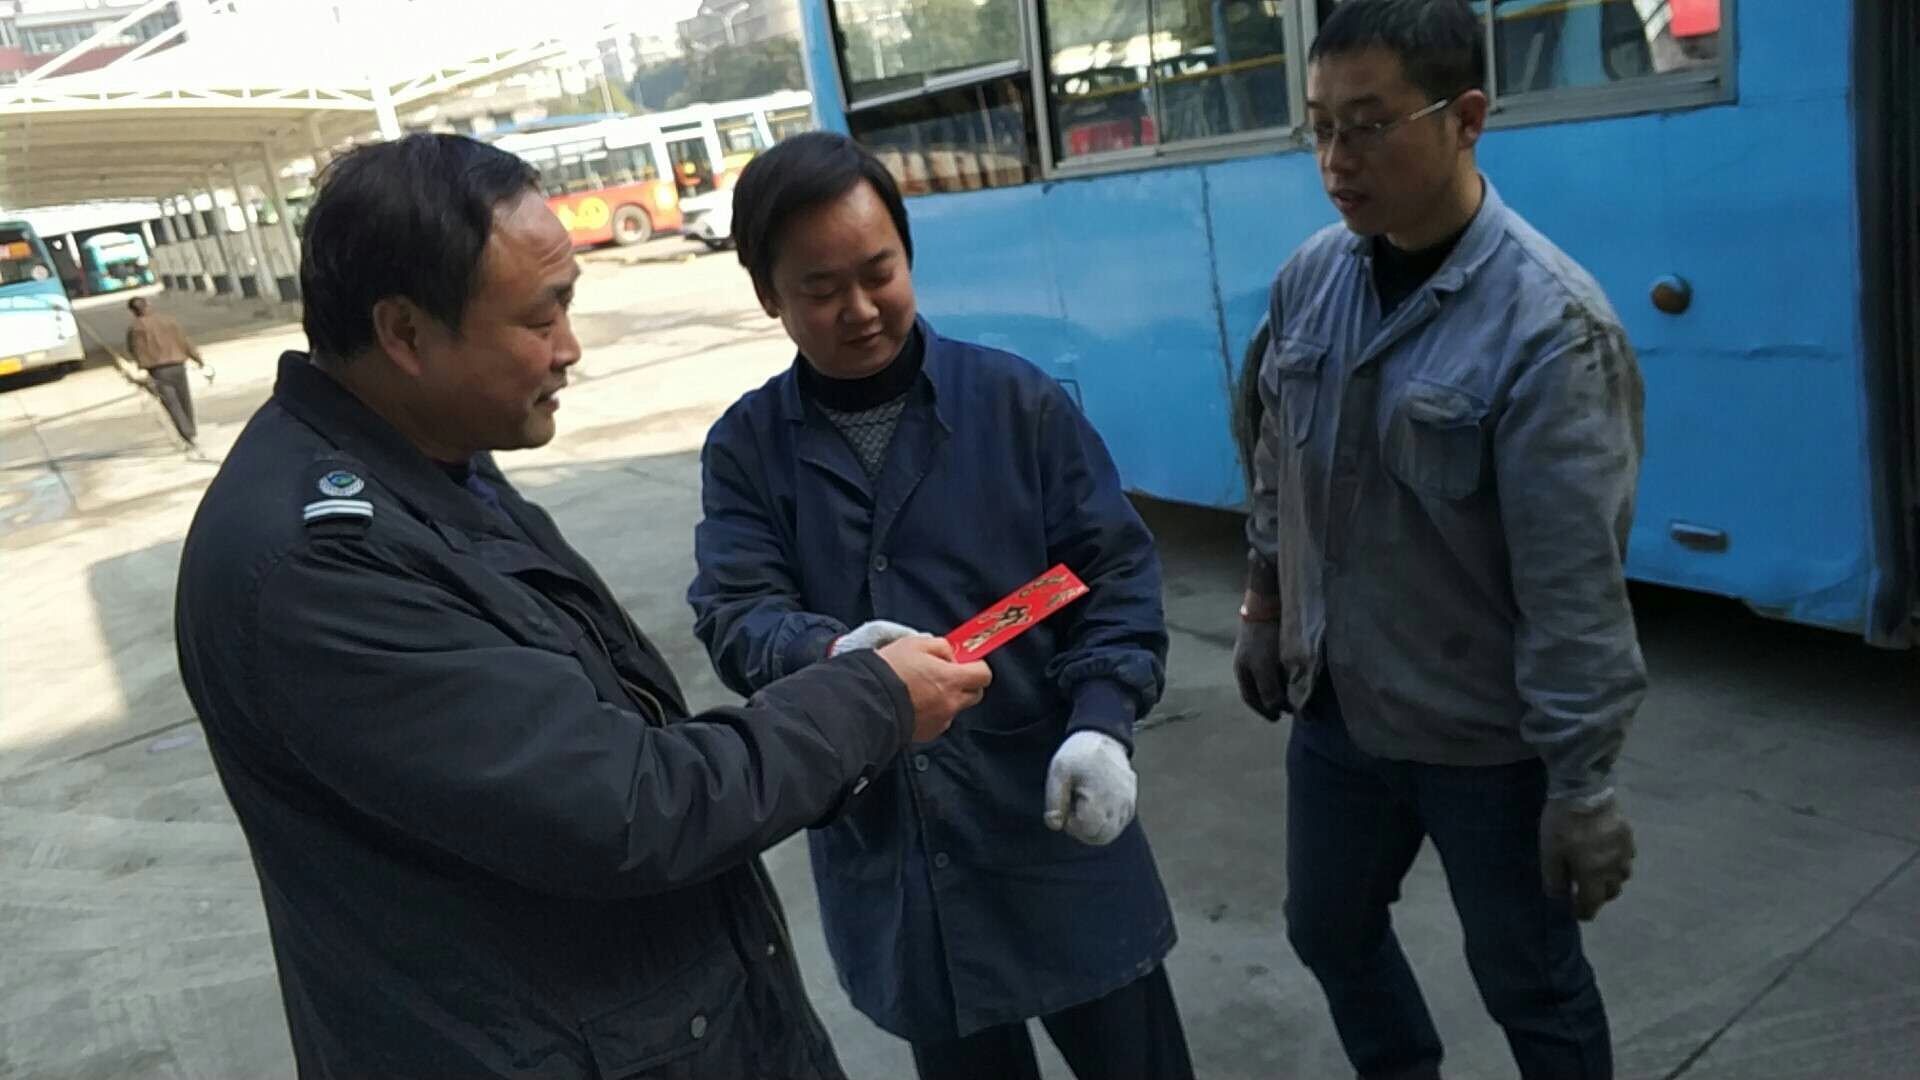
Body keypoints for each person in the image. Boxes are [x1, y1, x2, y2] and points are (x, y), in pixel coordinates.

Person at [173, 133, 992, 1079]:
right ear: (405, 333)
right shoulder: (320, 570)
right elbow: (627, 806)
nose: (570, 350)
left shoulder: (432, 466)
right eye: (540, 317)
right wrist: (871, 700)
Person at [687, 132, 1195, 1080]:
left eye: (878, 272)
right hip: (901, 853)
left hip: (1048, 818)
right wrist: (833, 656)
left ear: (908, 256)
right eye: (820, 288)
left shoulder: (1014, 403)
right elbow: (735, 608)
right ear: (768, 294)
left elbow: (1110, 570)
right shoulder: (748, 450)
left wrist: (1102, 721)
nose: (859, 309)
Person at [1234, 2, 1647, 1078]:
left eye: (1369, 126)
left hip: (1483, 743)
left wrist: (1583, 785)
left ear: (1466, 118)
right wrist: (1265, 602)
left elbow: (1574, 588)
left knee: (1529, 983)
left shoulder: (1550, 329)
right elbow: (1278, 460)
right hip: (1338, 711)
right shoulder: (1310, 279)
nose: (1336, 160)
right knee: (1327, 928)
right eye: (1319, 126)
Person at [124, 295, 206, 444]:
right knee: (184, 399)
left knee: (172, 403)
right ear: (148, 305)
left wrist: (141, 365)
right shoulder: (169, 320)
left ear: (133, 311)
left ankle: (187, 434)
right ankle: (191, 429)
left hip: (158, 371)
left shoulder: (135, 328)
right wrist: (198, 359)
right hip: (178, 365)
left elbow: (133, 349)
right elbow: (184, 341)